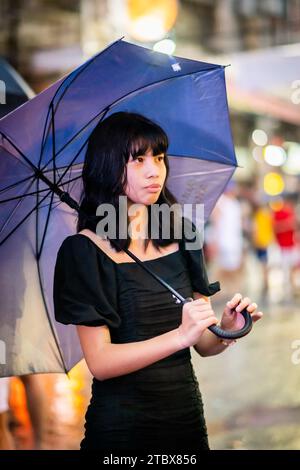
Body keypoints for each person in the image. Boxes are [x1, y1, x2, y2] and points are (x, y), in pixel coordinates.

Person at [53, 112, 263, 452]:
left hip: (186, 420)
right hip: (121, 430)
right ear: (108, 166)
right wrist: (179, 335)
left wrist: (226, 329)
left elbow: (203, 345)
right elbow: (102, 363)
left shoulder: (182, 235)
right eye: (138, 160)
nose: (155, 171)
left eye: (159, 157)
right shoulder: (84, 251)